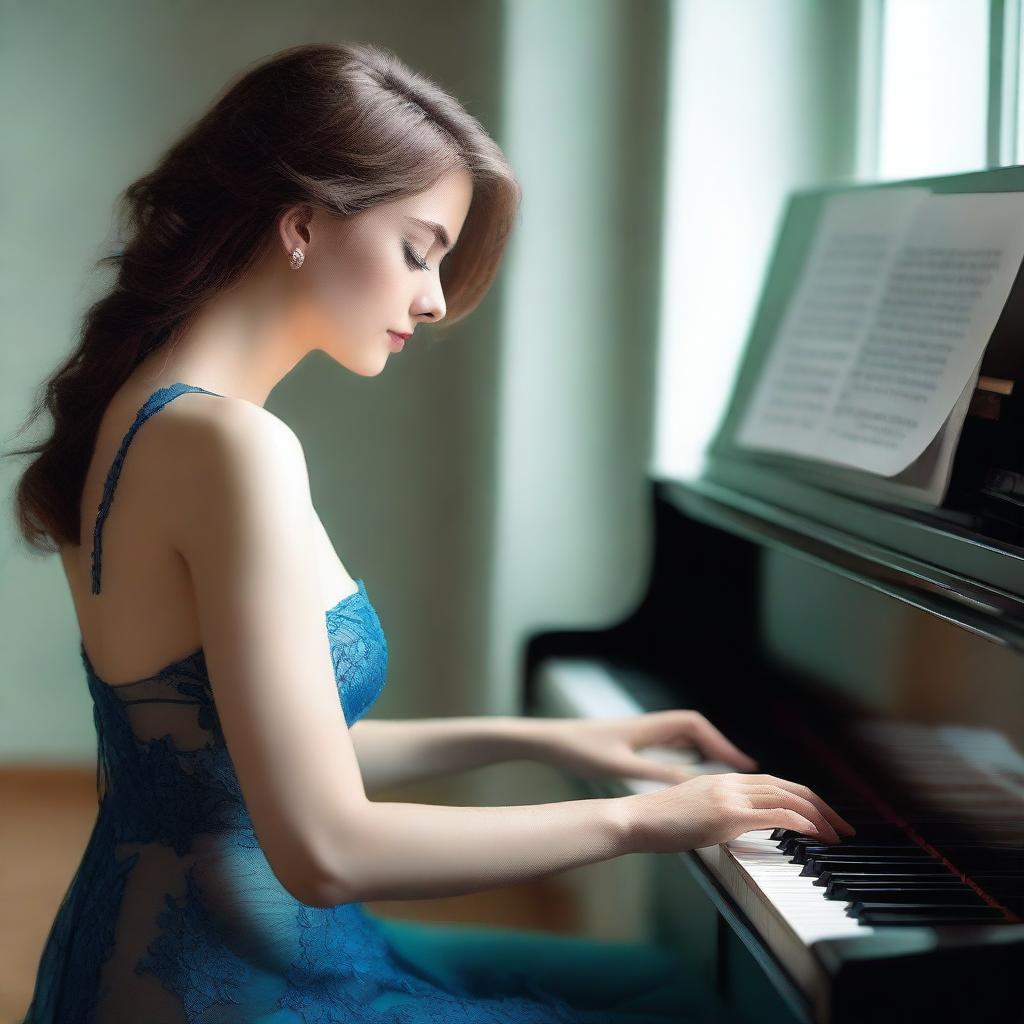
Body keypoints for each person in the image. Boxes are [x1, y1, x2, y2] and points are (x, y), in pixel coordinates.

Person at [6, 41, 854, 1024]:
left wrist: (546, 737)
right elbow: (325, 849)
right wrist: (646, 817)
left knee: (665, 986)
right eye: (419, 248)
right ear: (302, 224)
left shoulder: (138, 410)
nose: (435, 299)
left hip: (160, 946)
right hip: (232, 978)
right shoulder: (231, 446)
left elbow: (240, 754)